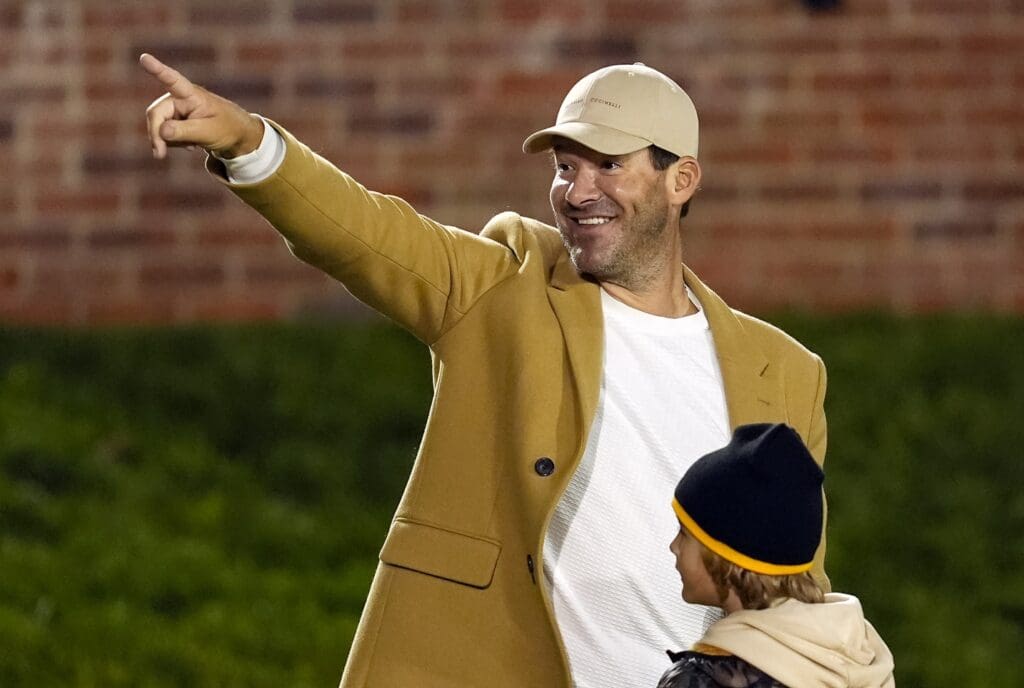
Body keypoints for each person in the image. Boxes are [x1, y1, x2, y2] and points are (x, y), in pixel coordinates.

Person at [140, 55, 830, 688]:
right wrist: (248, 143)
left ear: (681, 179)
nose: (577, 191)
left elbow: (790, 587)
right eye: (564, 166)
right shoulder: (503, 289)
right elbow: (367, 234)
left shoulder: (785, 376)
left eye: (607, 166)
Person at [660, 423, 894, 688]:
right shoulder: (864, 661)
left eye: (685, 533)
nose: (674, 546)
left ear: (727, 555)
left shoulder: (703, 680)